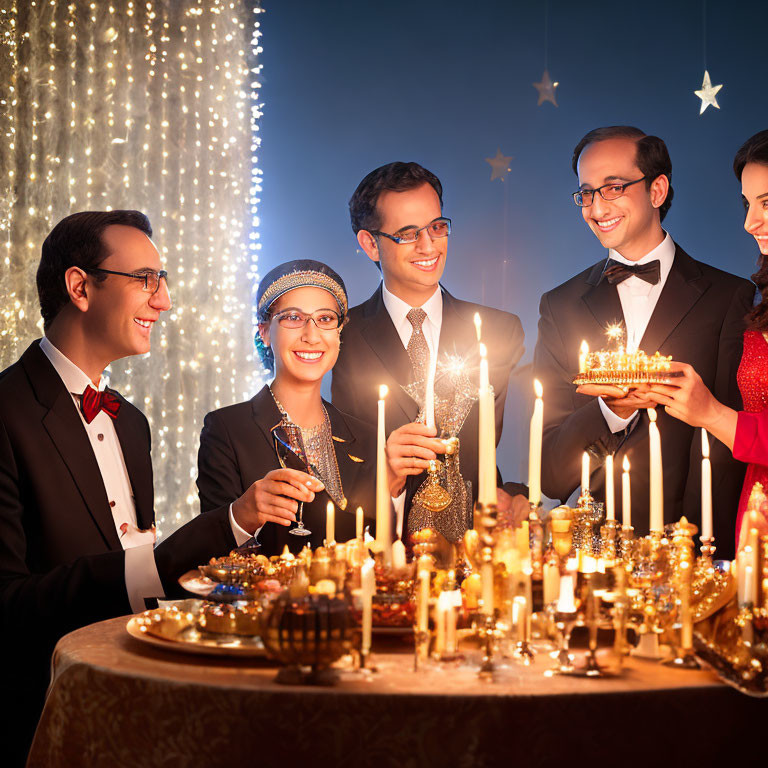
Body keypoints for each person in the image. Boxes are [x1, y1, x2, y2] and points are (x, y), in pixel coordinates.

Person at [0, 211, 270, 765]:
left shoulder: (132, 422)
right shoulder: (5, 412)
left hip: (131, 710)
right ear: (80, 287)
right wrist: (219, 527)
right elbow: (7, 603)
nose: (163, 301)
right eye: (145, 279)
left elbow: (135, 583)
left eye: (162, 280)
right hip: (39, 717)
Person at [533, 127, 754, 552]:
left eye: (613, 187)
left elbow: (725, 449)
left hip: (695, 547)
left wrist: (693, 549)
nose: (597, 208)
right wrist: (608, 411)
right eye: (586, 193)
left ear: (657, 190)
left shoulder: (730, 296)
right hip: (594, 555)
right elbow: (551, 474)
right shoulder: (559, 306)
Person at [332, 161, 528, 543]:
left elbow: (516, 446)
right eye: (407, 234)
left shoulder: (501, 331)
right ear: (370, 243)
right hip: (382, 552)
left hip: (479, 552)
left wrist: (516, 497)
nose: (429, 246)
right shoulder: (342, 337)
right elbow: (342, 464)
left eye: (437, 227)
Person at [197, 260, 377, 555]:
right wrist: (244, 514)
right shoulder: (227, 430)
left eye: (326, 318)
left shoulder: (367, 437)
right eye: (293, 318)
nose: (311, 334)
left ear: (339, 334)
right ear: (265, 332)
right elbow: (214, 553)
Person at [646, 130, 768, 547]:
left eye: (766, 203)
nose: (750, 222)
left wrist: (712, 414)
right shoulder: (757, 301)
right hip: (754, 515)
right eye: (747, 203)